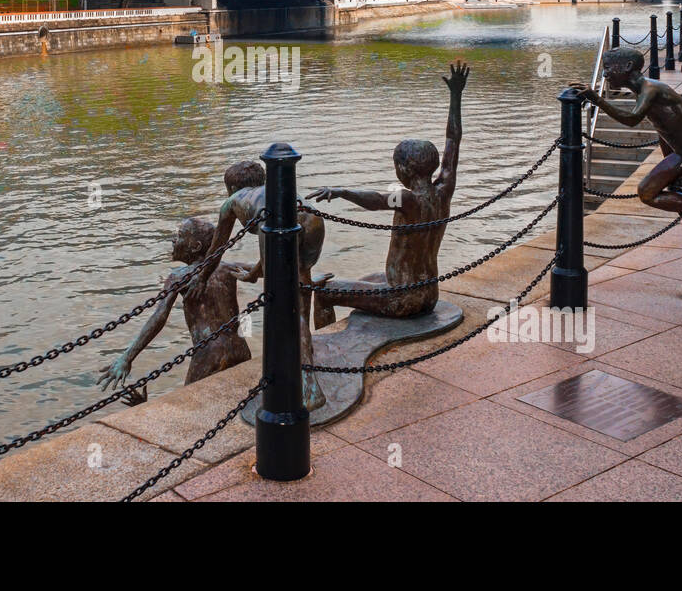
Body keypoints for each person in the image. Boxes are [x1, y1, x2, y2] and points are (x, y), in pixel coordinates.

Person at [305, 61, 469, 324]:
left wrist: (341, 191)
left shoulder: (408, 199)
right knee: (367, 280)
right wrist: (456, 96)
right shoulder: (443, 190)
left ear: (403, 170)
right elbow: (453, 140)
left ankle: (324, 349)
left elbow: (376, 200)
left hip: (403, 299)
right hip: (429, 294)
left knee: (324, 291)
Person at [572, 47, 682, 302]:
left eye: (609, 67)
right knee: (647, 193)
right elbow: (665, 130)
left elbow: (632, 119)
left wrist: (598, 100)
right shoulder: (644, 92)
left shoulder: (651, 88)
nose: (604, 73)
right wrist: (674, 173)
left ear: (627, 67)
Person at [192, 160, 330, 412]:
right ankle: (304, 360)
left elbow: (217, 249)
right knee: (301, 288)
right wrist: (254, 273)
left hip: (278, 226)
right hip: (314, 220)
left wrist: (201, 278)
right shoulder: (274, 191)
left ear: (231, 186)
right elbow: (268, 256)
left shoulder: (234, 201)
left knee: (291, 308)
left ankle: (309, 387)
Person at [97, 217, 255, 403]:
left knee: (189, 406)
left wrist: (127, 357)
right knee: (238, 401)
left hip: (209, 353)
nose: (173, 240)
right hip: (239, 347)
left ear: (195, 247)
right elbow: (264, 268)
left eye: (180, 236)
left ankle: (145, 409)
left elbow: (159, 317)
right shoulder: (227, 267)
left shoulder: (178, 276)